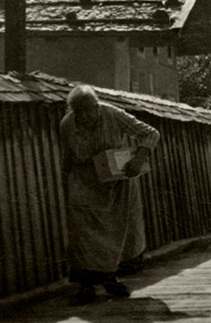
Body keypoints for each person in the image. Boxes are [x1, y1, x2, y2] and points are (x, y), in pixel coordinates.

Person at [60, 84, 160, 305]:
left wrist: (139, 159)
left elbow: (151, 133)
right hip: (83, 183)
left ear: (96, 106)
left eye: (88, 110)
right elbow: (67, 156)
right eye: (78, 112)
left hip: (113, 184)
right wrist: (65, 184)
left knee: (111, 235)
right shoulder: (68, 124)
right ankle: (86, 287)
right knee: (83, 235)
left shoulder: (113, 114)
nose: (83, 117)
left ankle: (111, 279)